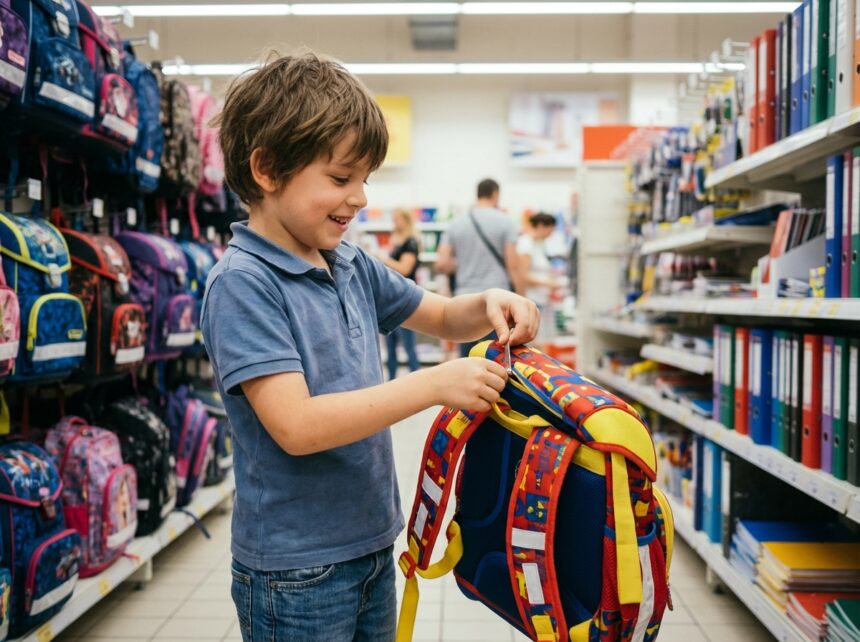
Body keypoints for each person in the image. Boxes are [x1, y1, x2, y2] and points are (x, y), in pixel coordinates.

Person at [202, 52, 540, 642]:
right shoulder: (243, 284)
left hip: (371, 541)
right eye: (340, 178)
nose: (359, 197)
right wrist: (433, 385)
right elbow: (296, 425)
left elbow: (439, 314)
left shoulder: (349, 263)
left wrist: (489, 301)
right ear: (266, 168)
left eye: (365, 179)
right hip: (294, 569)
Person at [436, 178, 522, 356]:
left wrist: (465, 263)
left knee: (468, 357)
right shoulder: (506, 222)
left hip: (465, 298)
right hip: (499, 300)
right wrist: (521, 297)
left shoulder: (456, 223)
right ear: (495, 194)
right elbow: (513, 265)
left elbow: (443, 263)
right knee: (497, 357)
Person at [376, 209, 421, 379]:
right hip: (393, 297)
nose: (394, 222)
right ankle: (390, 380)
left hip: (405, 299)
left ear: (406, 220)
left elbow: (405, 268)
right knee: (391, 345)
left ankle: (417, 381)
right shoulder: (398, 241)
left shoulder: (410, 243)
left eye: (397, 219)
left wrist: (382, 259)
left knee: (408, 345)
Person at [517, 212, 563, 340]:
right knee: (536, 342)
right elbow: (523, 275)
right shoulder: (526, 244)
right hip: (532, 300)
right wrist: (548, 283)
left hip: (540, 300)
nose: (551, 234)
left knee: (542, 340)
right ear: (542, 226)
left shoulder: (537, 244)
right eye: (550, 230)